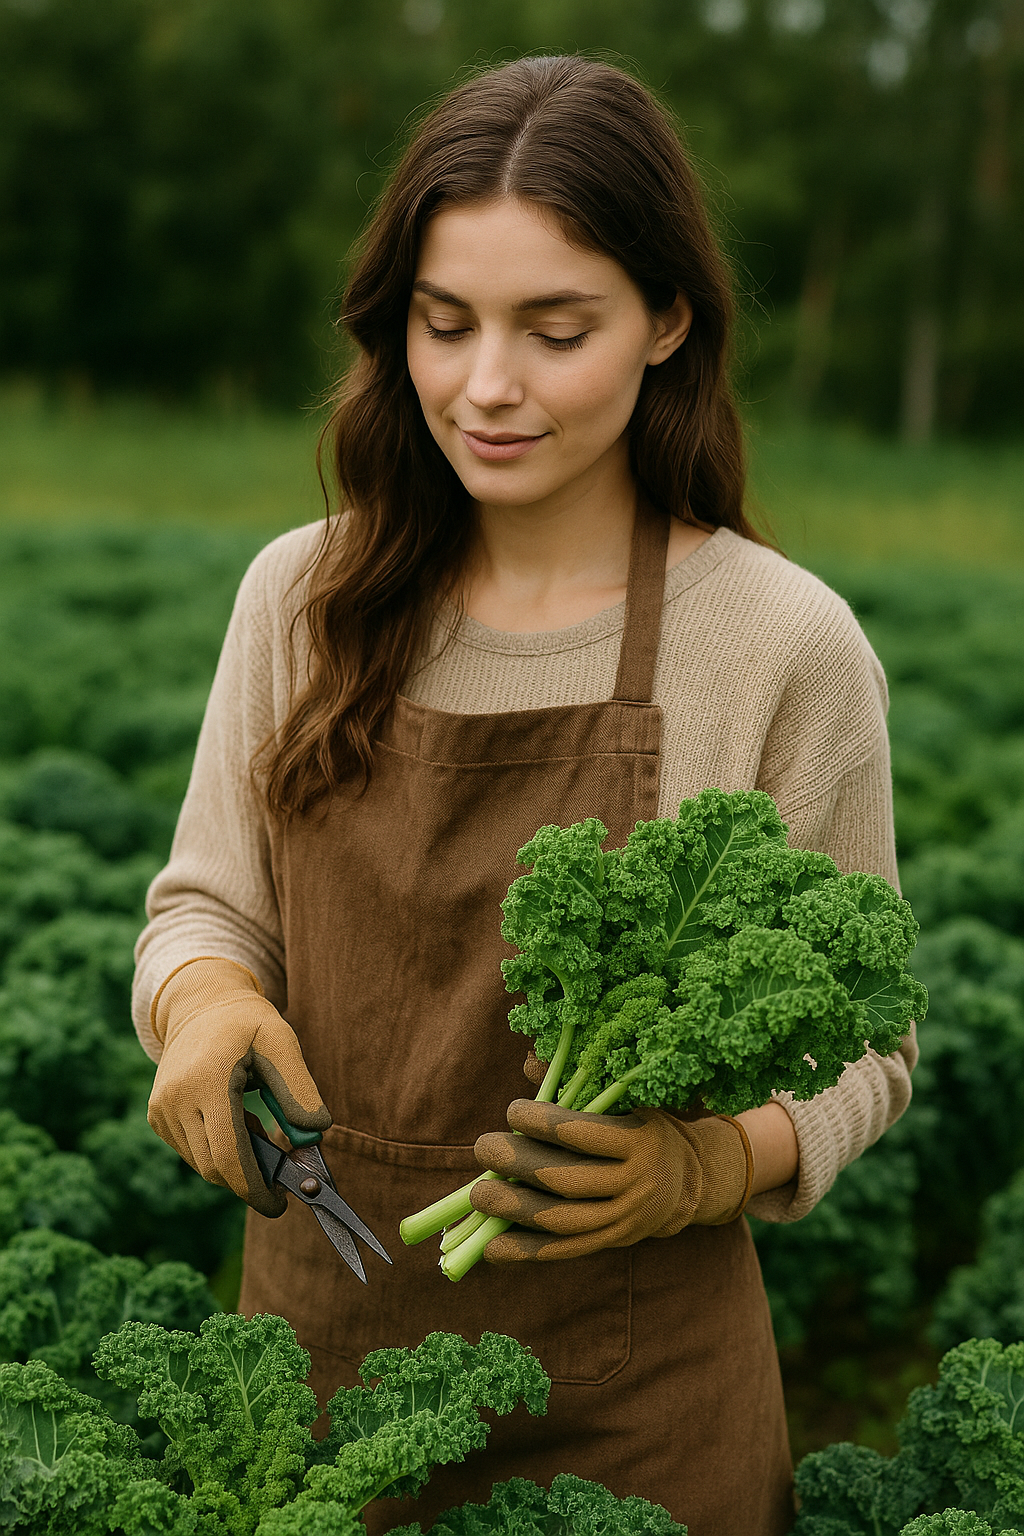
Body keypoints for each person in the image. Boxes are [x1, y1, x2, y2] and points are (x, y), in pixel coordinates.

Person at [133, 54, 917, 1536]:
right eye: (445, 325)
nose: (486, 385)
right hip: (318, 1367)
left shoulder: (780, 641)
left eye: (556, 332)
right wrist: (206, 1004)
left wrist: (705, 1165)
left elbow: (867, 1042)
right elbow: (204, 910)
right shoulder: (302, 597)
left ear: (668, 322)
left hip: (643, 1404)